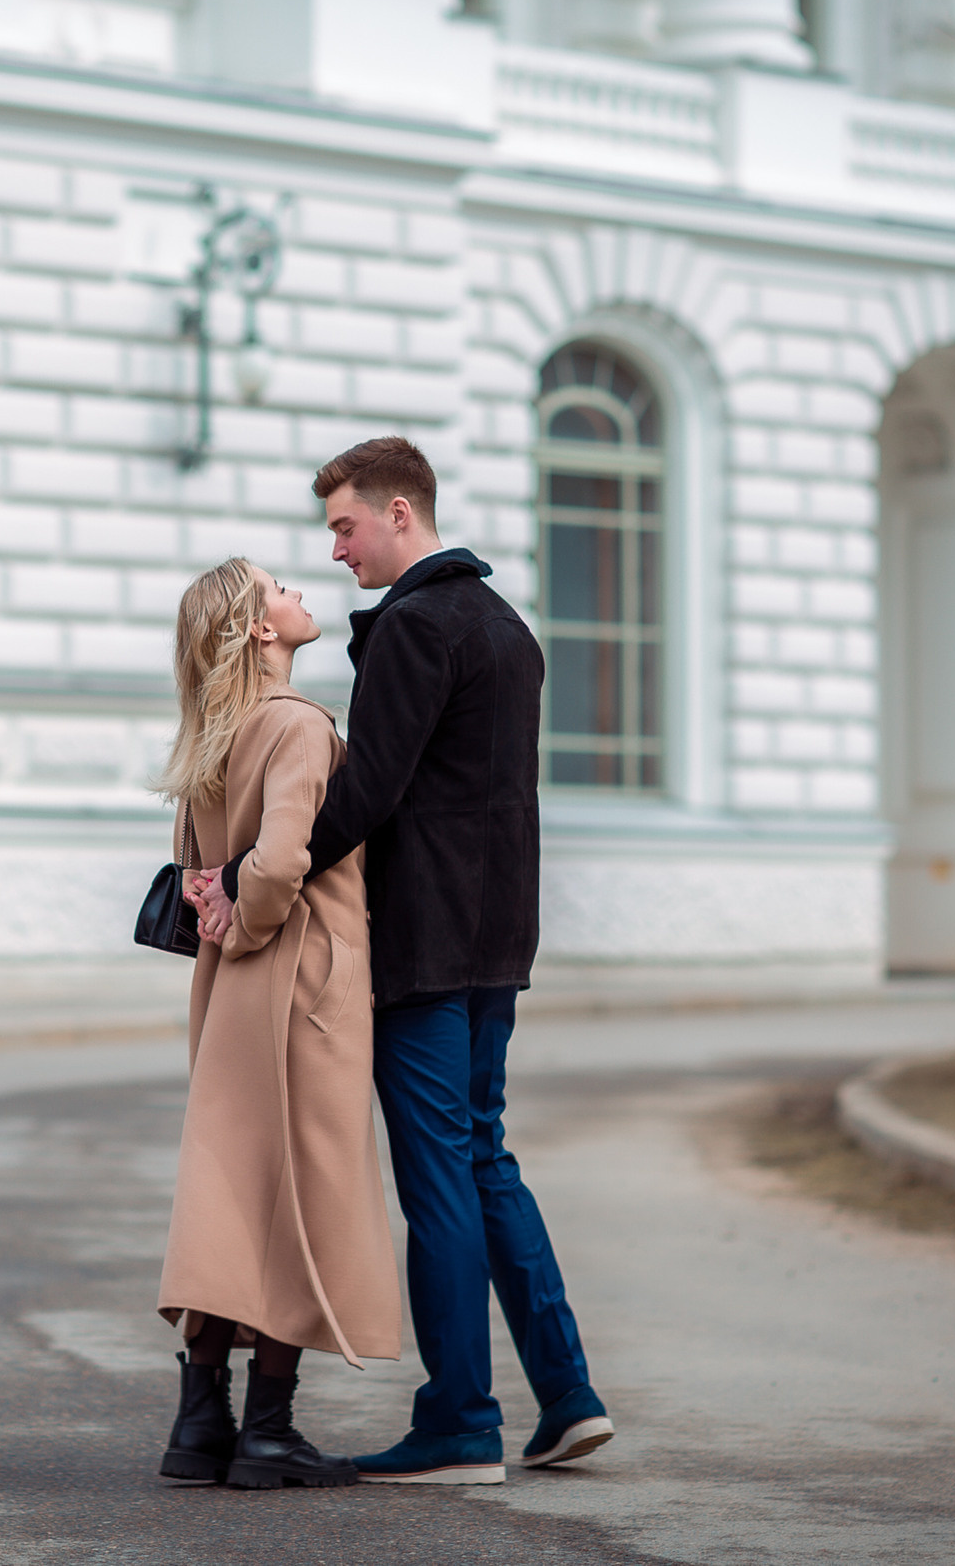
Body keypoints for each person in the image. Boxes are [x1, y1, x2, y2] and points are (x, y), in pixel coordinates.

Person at [191, 436, 614, 1487]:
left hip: (424, 945)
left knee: (440, 1177)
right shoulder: (504, 623)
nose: (334, 551)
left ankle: (460, 1418)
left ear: (398, 514)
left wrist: (245, 876)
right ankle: (565, 1397)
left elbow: (367, 792)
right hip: (498, 939)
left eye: (342, 526)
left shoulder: (417, 627)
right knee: (482, 1158)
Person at [150, 558, 400, 1492]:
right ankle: (269, 1429)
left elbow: (192, 869)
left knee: (230, 1186)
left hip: (228, 990)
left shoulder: (210, 735)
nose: (299, 592)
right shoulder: (297, 724)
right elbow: (280, 862)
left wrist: (232, 922)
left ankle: (199, 1420)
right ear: (261, 630)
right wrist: (254, 918)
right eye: (279, 588)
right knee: (302, 1190)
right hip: (302, 979)